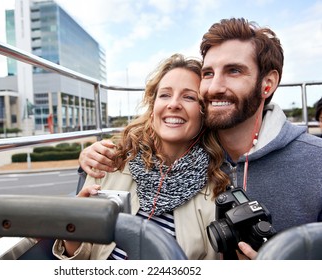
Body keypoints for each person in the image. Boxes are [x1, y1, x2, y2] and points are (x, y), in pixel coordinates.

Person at [78, 18, 322, 259]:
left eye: (234, 71)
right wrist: (88, 159)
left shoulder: (315, 161)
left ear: (267, 84)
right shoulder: (118, 160)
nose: (214, 86)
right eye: (208, 73)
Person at [52, 54, 230, 260]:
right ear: (153, 109)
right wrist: (73, 230)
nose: (173, 104)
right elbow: (79, 259)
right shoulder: (111, 162)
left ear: (204, 113)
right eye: (165, 95)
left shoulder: (215, 190)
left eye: (189, 97)